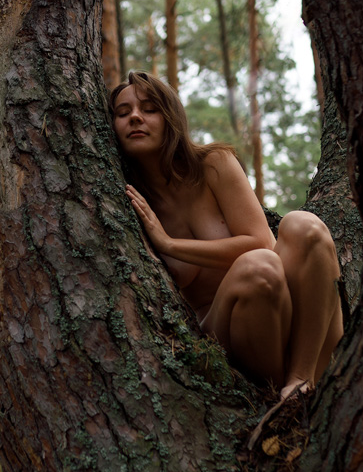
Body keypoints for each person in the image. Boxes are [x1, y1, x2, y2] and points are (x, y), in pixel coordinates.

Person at [110, 71, 343, 419]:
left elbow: (260, 241)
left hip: (303, 334)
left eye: (149, 108)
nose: (135, 117)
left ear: (171, 117)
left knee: (304, 226)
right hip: (231, 337)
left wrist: (169, 244)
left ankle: (301, 383)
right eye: (123, 112)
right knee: (258, 269)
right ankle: (280, 398)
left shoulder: (214, 164)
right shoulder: (128, 201)